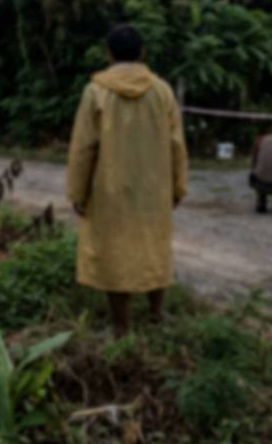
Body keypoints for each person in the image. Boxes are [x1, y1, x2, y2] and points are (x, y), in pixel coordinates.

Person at [66, 23, 188, 338]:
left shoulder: (96, 91)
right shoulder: (161, 90)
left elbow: (84, 146)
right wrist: (177, 186)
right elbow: (176, 143)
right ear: (142, 52)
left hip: (110, 189)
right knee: (153, 246)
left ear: (108, 53)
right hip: (154, 187)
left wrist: (77, 192)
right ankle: (156, 314)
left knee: (114, 252)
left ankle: (121, 326)